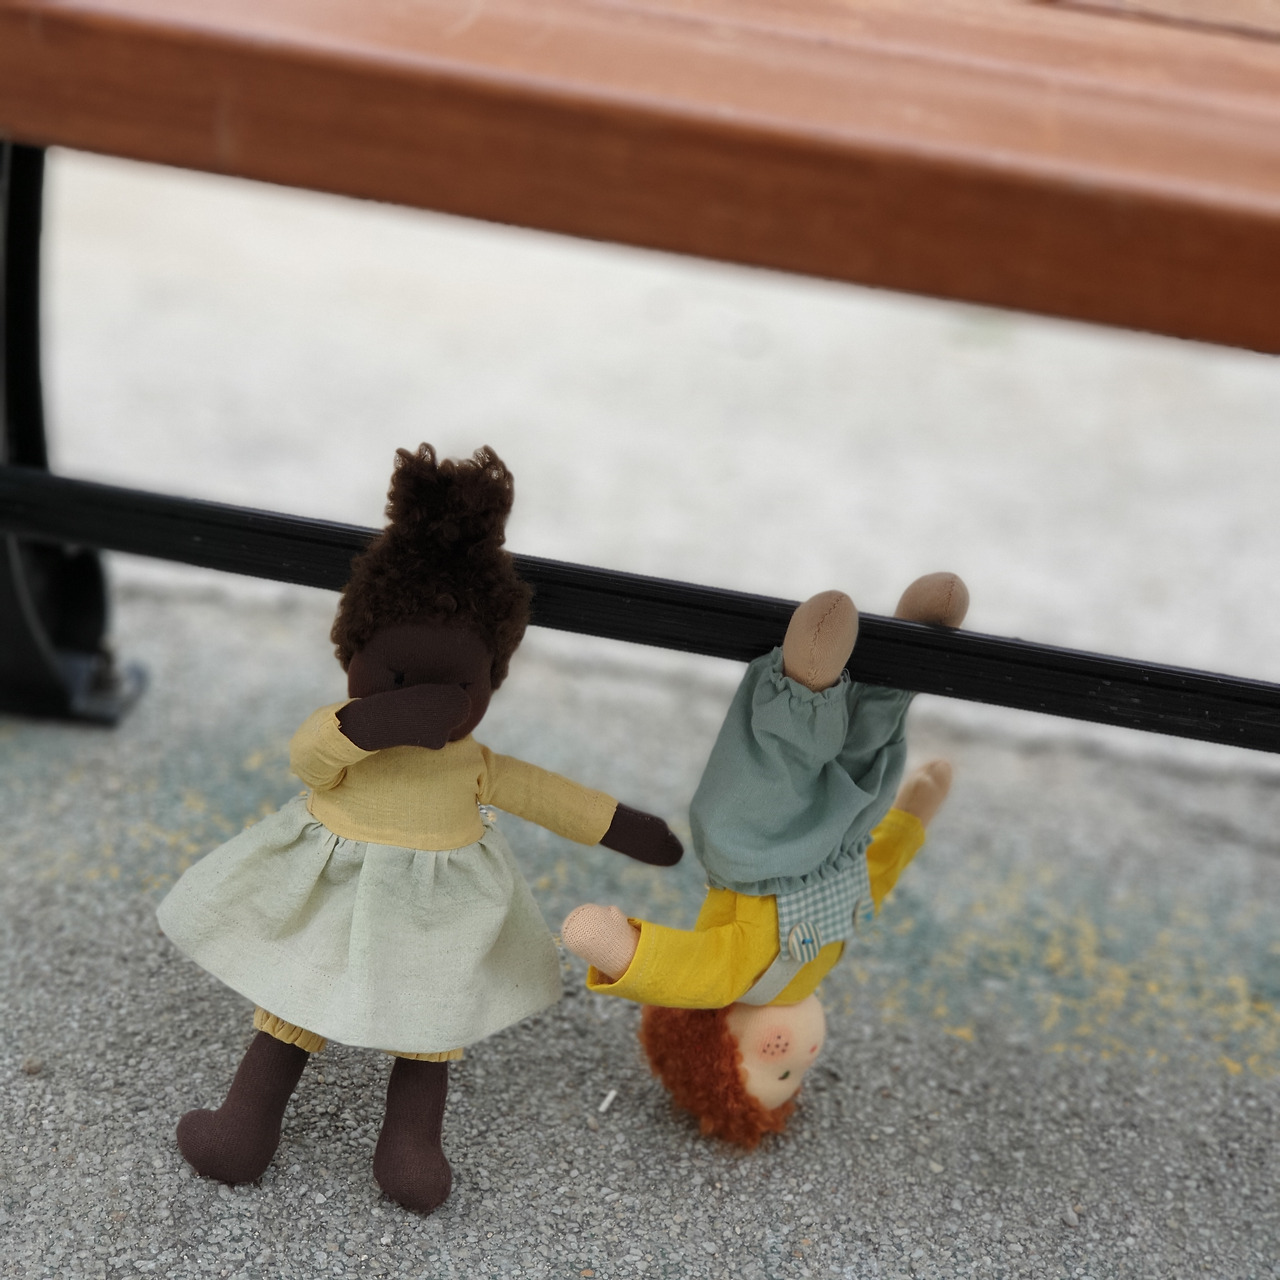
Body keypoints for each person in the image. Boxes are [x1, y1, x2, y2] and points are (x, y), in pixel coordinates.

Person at [158, 445, 682, 1210]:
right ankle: (244, 1130)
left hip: (436, 906)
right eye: (400, 675)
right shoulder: (347, 732)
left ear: (490, 677)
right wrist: (378, 721)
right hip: (337, 890)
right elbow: (311, 760)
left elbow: (545, 794)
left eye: (462, 683)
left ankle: (406, 1150)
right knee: (302, 991)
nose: (436, 700)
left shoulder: (474, 763)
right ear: (356, 651)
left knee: (428, 1011)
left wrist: (624, 827)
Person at [562, 576, 966, 1143]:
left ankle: (804, 684)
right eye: (794, 1077)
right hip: (841, 849)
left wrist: (618, 949)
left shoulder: (736, 977)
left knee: (759, 790)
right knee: (864, 772)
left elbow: (684, 973)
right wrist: (910, 819)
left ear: (713, 1044)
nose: (799, 1060)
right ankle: (909, 646)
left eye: (777, 1070)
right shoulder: (817, 964)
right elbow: (877, 874)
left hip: (759, 856)